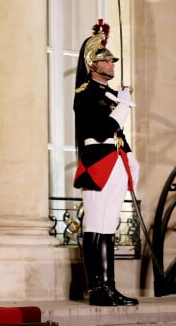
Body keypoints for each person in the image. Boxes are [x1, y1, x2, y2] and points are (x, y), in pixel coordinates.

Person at [73, 20, 139, 306]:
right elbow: (102, 130)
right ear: (93, 64)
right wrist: (123, 104)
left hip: (114, 162)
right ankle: (97, 288)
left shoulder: (110, 95)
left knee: (109, 226)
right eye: (106, 61)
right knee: (96, 226)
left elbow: (118, 135)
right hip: (97, 164)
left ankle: (110, 286)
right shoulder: (86, 94)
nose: (112, 64)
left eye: (112, 61)